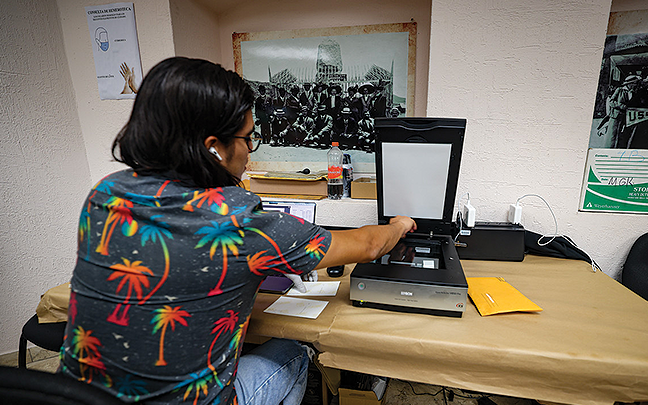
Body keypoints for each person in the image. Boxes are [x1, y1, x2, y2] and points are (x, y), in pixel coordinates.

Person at [60, 57, 416, 405]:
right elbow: (368, 245)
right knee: (294, 352)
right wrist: (400, 224)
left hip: (78, 396)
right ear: (214, 148)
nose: (249, 151)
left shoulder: (104, 194)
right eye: (247, 138)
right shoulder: (236, 218)